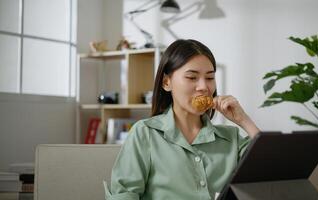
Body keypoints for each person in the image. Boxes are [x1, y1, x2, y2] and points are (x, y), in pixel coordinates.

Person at [104, 39, 260, 200]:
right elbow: (123, 195)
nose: (203, 87)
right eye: (192, 77)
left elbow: (272, 173)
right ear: (166, 82)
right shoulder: (145, 133)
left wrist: (244, 120)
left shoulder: (231, 139)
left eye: (210, 77)